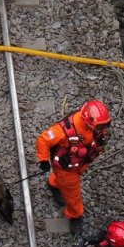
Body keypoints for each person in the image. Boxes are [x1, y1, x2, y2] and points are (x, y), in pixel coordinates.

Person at [35, 99, 112, 234]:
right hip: (66, 170)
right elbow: (43, 139)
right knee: (73, 195)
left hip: (79, 163)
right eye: (101, 127)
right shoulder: (63, 131)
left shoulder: (90, 127)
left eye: (106, 125)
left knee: (64, 182)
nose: (103, 129)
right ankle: (74, 214)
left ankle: (54, 183)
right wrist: (43, 160)